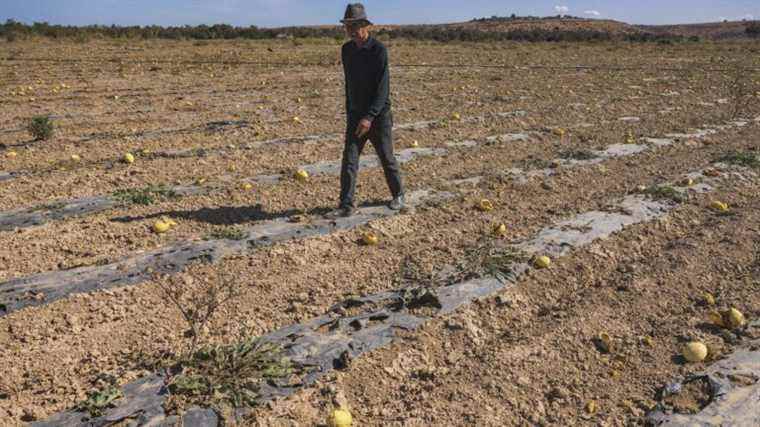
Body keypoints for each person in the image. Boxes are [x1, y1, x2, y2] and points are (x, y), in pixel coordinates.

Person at [331, 3, 404, 218]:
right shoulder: (347, 50)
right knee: (349, 159)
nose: (350, 30)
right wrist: (351, 112)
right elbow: (349, 85)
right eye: (347, 26)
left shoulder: (378, 50)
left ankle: (398, 194)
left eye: (354, 25)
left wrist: (369, 117)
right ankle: (346, 204)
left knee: (386, 157)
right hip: (355, 115)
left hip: (378, 116)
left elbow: (383, 89)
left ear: (365, 25)